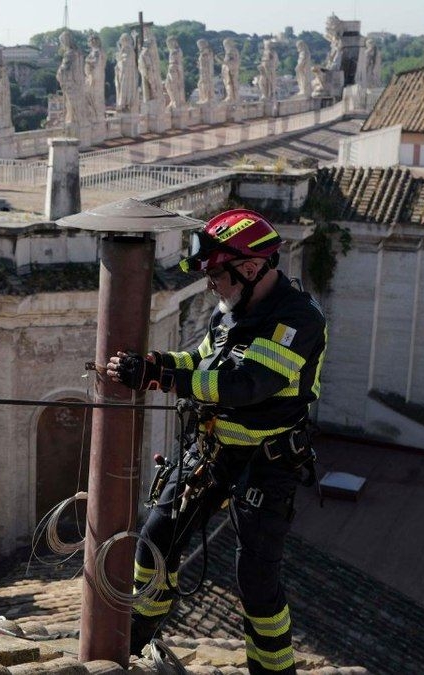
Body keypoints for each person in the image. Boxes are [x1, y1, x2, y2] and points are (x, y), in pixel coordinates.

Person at [105, 209, 326, 675]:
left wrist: (163, 379)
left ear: (249, 268)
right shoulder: (229, 311)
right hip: (213, 450)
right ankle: (133, 639)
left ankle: (272, 670)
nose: (209, 283)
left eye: (215, 273)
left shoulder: (297, 320)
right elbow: (201, 360)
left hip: (268, 462)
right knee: (156, 537)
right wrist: (157, 362)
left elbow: (247, 384)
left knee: (256, 578)